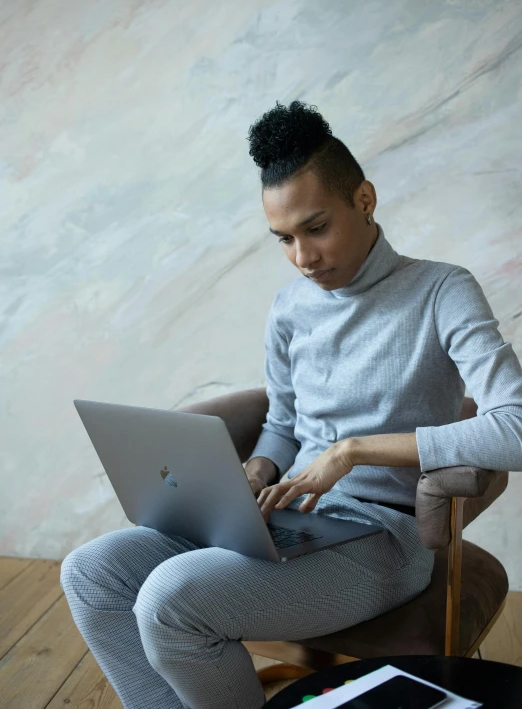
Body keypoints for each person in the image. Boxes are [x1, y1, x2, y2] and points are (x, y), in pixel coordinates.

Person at [60, 100, 522, 709]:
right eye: (284, 239)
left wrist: (352, 452)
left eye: (316, 227)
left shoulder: (442, 290)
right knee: (91, 571)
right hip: (282, 518)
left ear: (364, 199)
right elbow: (282, 423)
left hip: (382, 535)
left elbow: (514, 427)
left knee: (171, 598)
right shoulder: (290, 307)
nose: (304, 258)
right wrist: (257, 470)